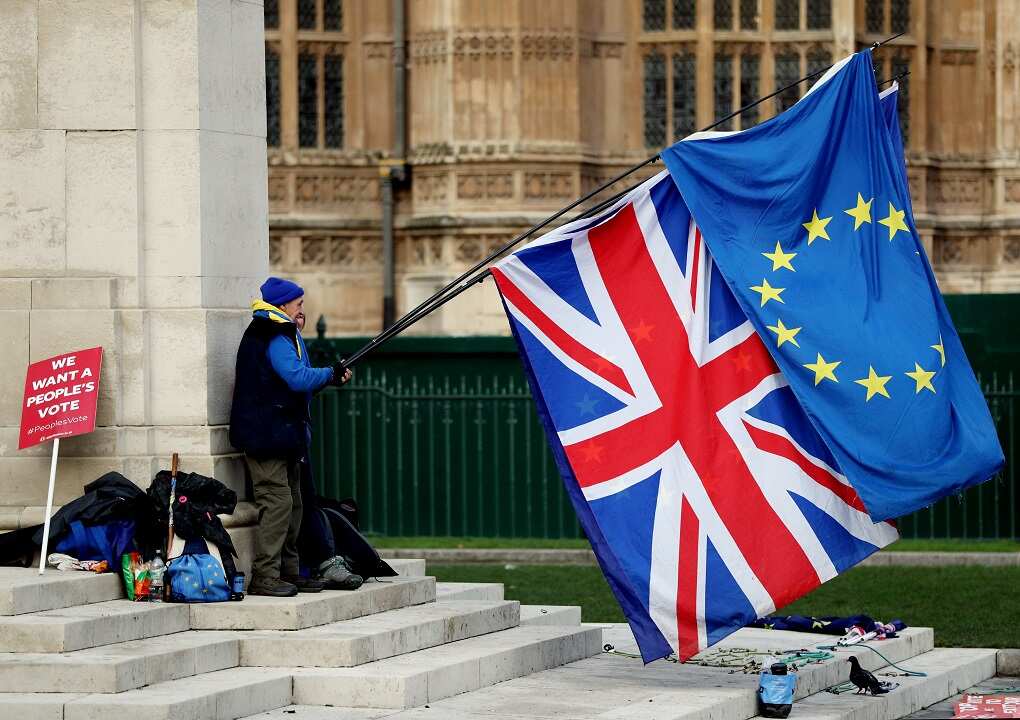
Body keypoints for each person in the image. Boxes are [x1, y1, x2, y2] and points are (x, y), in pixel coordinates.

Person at [229, 277, 352, 597]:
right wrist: (330, 373)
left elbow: (299, 378)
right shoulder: (273, 333)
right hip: (266, 436)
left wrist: (330, 377)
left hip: (283, 435)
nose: (302, 309)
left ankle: (289, 571)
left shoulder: (281, 331)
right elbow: (296, 377)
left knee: (294, 503)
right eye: (298, 304)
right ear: (283, 305)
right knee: (279, 502)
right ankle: (265, 575)